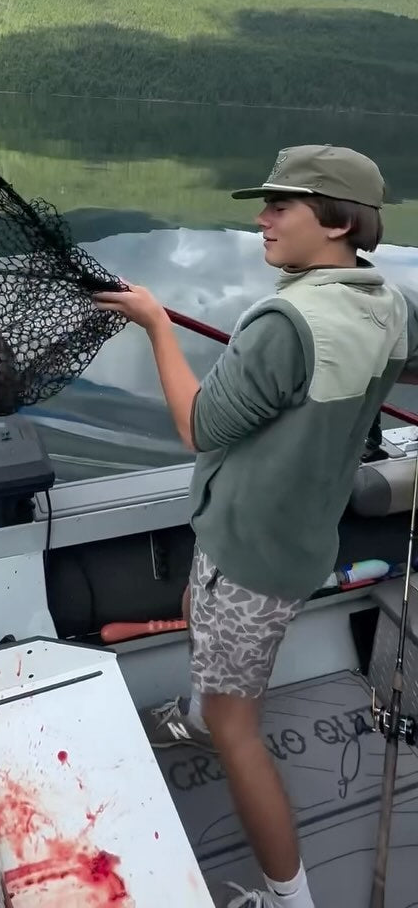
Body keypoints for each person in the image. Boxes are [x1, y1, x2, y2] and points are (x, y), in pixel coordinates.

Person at [93, 144, 418, 908]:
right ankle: (199, 718)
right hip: (301, 542)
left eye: (282, 205)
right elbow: (398, 364)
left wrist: (154, 325)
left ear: (337, 222)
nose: (261, 219)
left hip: (250, 555)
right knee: (206, 633)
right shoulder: (389, 303)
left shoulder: (283, 320)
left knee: (242, 733)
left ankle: (286, 894)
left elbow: (200, 427)